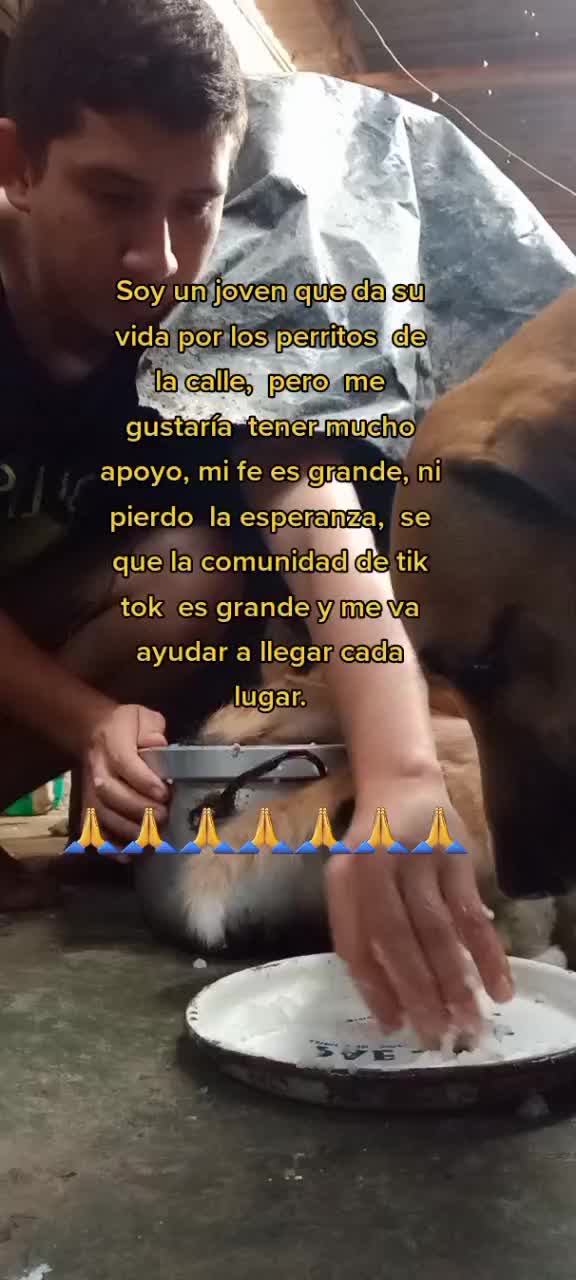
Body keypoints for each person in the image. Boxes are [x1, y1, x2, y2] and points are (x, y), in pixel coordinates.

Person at [0, 0, 513, 1047]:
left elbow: (310, 507)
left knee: (196, 573)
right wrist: (80, 716)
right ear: (17, 165)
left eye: (195, 204)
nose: (159, 256)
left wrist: (404, 778)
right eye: (113, 196)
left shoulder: (224, 289)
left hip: (52, 616)